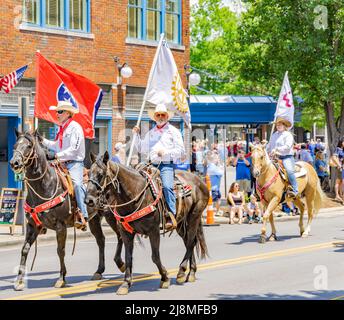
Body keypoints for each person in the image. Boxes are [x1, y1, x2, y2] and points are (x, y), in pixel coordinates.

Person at [132, 103, 185, 230]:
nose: (160, 117)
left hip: (166, 165)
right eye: (158, 115)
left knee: (166, 186)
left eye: (163, 114)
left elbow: (182, 151)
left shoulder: (174, 131)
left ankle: (170, 214)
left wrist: (166, 153)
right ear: (155, 117)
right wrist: (136, 135)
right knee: (135, 181)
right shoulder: (151, 133)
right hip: (151, 164)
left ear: (167, 116)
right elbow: (141, 149)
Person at [43, 101, 88, 230]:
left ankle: (83, 214)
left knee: (77, 185)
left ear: (68, 113)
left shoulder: (75, 127)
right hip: (61, 163)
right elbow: (56, 145)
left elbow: (74, 149)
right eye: (57, 111)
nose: (57, 114)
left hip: (74, 164)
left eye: (60, 111)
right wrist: (42, 140)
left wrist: (56, 156)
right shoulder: (62, 128)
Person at [266, 117, 298, 198]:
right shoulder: (274, 135)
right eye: (277, 125)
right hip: (275, 158)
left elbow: (287, 146)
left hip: (286, 157)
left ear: (284, 126)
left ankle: (295, 189)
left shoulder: (288, 135)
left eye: (280, 125)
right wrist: (265, 151)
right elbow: (269, 146)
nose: (278, 126)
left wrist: (276, 149)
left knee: (289, 171)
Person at [206, 152, 223, 216]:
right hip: (213, 188)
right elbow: (221, 173)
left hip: (214, 187)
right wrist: (220, 165)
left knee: (218, 199)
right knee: (212, 201)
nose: (217, 160)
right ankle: (211, 214)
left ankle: (217, 211)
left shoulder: (211, 166)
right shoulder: (213, 167)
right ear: (213, 159)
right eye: (216, 158)